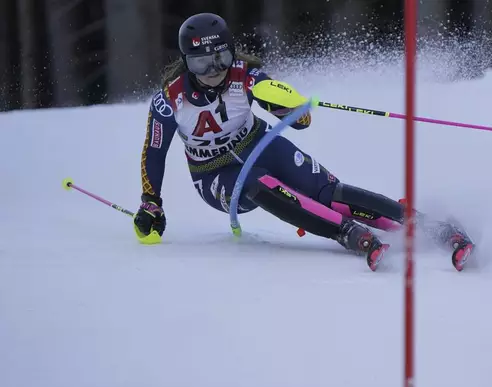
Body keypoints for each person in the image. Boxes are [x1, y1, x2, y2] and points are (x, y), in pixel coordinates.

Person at [133, 12, 474, 271]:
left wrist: (291, 110)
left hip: (258, 143)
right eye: (201, 63)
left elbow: (292, 114)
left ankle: (434, 227)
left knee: (330, 192)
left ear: (231, 53)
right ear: (186, 63)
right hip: (213, 174)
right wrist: (151, 201)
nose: (213, 71)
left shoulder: (243, 75)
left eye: (219, 58)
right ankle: (348, 233)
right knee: (254, 182)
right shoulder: (169, 100)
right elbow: (154, 152)